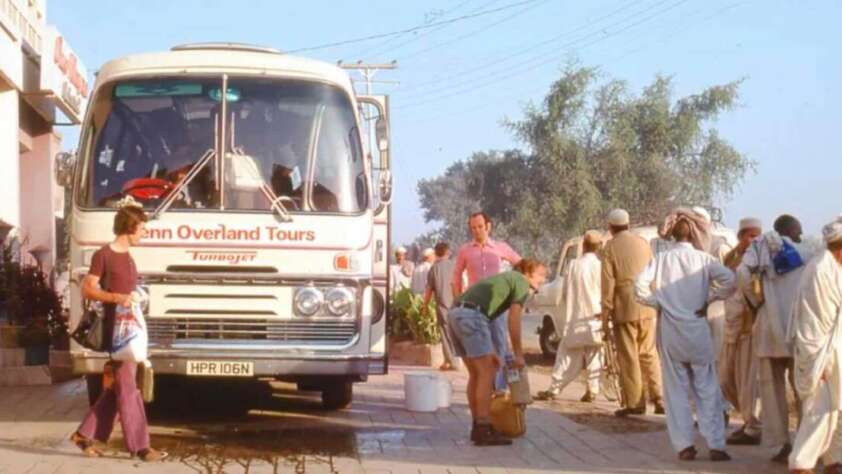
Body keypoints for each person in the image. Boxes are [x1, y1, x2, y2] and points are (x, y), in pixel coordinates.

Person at [635, 213, 736, 462]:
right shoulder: (704, 259)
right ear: (692, 234)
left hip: (671, 332)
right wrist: (709, 300)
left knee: (676, 390)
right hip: (698, 329)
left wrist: (658, 302)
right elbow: (730, 281)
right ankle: (716, 444)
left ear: (672, 235)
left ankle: (685, 446)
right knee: (707, 387)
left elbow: (638, 287)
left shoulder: (661, 259)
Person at [70, 205, 167, 462]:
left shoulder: (129, 258)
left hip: (130, 329)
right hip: (117, 332)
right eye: (142, 228)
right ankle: (141, 446)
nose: (144, 233)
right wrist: (118, 297)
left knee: (120, 387)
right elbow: (88, 290)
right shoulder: (104, 255)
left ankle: (84, 435)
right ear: (129, 227)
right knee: (128, 390)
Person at [738, 214, 818, 463]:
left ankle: (781, 443)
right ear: (793, 231)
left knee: (771, 389)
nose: (800, 234)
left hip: (770, 327)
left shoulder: (760, 247)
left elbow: (742, 274)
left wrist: (756, 302)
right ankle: (807, 442)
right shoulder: (811, 250)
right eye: (798, 230)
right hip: (799, 330)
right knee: (805, 388)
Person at [449, 259, 547, 446]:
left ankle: (478, 425)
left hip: (457, 314)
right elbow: (514, 320)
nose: (543, 279)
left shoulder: (506, 279)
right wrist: (519, 354)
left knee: (477, 374)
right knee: (487, 373)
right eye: (541, 274)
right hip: (472, 316)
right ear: (527, 272)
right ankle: (483, 428)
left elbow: (486, 311)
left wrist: (492, 349)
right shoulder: (520, 281)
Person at [788, 216, 842, 473]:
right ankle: (801, 463)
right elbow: (813, 325)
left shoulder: (833, 267)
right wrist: (819, 363)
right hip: (822, 354)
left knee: (835, 410)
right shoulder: (822, 270)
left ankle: (832, 460)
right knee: (820, 410)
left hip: (833, 351)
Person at [601, 209, 664, 416]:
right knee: (649, 353)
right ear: (628, 224)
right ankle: (660, 398)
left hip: (624, 305)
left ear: (610, 228)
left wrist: (605, 311)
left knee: (629, 356)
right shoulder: (643, 243)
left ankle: (635, 403)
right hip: (646, 303)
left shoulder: (610, 247)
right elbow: (653, 273)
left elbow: (608, 283)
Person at [453, 212, 521, 392]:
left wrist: (513, 287)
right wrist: (457, 298)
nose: (476, 231)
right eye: (473, 228)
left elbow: (521, 264)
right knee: (482, 348)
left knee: (500, 344)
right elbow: (456, 275)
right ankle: (485, 385)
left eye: (480, 227)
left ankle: (500, 389)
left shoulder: (500, 247)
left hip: (497, 306)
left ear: (488, 226)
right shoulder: (465, 250)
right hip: (475, 307)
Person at [536, 231, 603, 402]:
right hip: (595, 318)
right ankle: (592, 390)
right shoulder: (601, 266)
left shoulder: (573, 265)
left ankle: (555, 389)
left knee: (566, 354)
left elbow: (565, 292)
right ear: (598, 247)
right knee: (594, 354)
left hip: (575, 318)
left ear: (584, 246)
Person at [718, 217, 764, 446]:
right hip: (731, 325)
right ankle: (747, 420)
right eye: (749, 235)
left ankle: (753, 426)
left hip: (748, 326)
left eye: (756, 235)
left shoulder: (759, 260)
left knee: (748, 381)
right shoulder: (731, 257)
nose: (753, 239)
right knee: (726, 378)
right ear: (741, 236)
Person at [422, 242, 461, 371]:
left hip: (443, 305)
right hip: (457, 304)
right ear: (447, 252)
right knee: (455, 332)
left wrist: (424, 306)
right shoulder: (454, 265)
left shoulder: (434, 268)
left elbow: (429, 289)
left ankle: (453, 361)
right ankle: (448, 360)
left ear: (436, 253)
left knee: (445, 333)